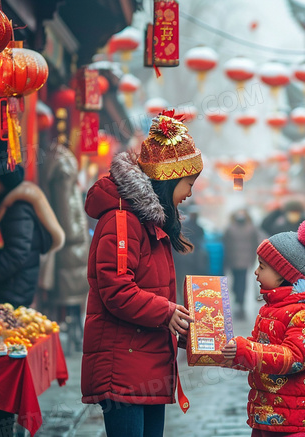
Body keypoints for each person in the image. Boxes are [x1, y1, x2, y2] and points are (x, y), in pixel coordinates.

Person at [81, 110, 199, 436]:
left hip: (144, 365)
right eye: (187, 184)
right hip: (123, 369)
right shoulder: (122, 221)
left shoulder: (151, 224)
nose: (189, 193)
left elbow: (153, 291)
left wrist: (182, 324)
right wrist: (168, 313)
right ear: (168, 181)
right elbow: (117, 289)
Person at [223, 219, 305, 437]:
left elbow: (294, 357)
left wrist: (246, 351)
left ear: (284, 274)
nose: (256, 273)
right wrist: (230, 352)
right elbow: (257, 351)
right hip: (266, 415)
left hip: (293, 422)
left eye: (262, 266)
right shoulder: (271, 309)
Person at [38, 111, 90, 353]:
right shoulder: (64, 168)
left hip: (70, 244)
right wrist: (77, 235)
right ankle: (74, 337)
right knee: (70, 295)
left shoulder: (60, 166)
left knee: (68, 295)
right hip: (72, 243)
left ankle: (74, 337)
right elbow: (68, 211)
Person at [0, 157, 65, 308]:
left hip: (13, 288)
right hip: (15, 286)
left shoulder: (18, 208)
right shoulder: (11, 204)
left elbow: (17, 253)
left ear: (4, 183)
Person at [222, 209, 261, 319]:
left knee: (236, 280)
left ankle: (239, 298)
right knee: (242, 281)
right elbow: (255, 243)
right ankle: (240, 300)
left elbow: (225, 243)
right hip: (245, 261)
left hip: (234, 260)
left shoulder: (230, 228)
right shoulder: (251, 228)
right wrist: (253, 258)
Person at [173, 204, 208, 299]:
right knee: (186, 280)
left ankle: (186, 299)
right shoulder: (192, 228)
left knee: (186, 281)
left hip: (189, 259)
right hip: (187, 259)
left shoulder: (192, 228)